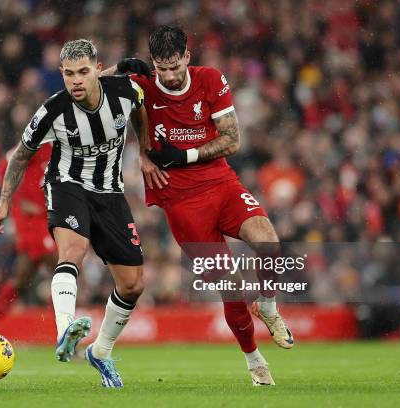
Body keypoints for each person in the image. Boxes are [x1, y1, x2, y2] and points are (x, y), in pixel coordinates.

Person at [105, 26, 295, 386]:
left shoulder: (209, 79)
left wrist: (186, 154)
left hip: (221, 183)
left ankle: (268, 304)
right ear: (153, 64)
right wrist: (117, 69)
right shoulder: (142, 84)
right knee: (231, 287)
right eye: (162, 68)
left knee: (269, 243)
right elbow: (81, 90)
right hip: (181, 200)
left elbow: (232, 139)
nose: (170, 75)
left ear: (187, 57)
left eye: (175, 66)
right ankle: (254, 360)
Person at [0, 39, 149, 388]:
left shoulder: (125, 92)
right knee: (72, 252)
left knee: (133, 284)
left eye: (83, 72)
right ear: (61, 74)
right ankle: (65, 333)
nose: (76, 81)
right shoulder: (52, 111)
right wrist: (4, 203)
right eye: (69, 74)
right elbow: (20, 156)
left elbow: (140, 111)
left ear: (97, 69)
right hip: (67, 185)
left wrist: (146, 152)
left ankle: (101, 352)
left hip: (110, 192)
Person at [0, 143, 56, 336]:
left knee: (22, 280)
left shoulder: (63, 145)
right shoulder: (40, 141)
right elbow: (5, 167)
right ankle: (66, 331)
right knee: (63, 269)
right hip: (32, 223)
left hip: (48, 218)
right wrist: (18, 198)